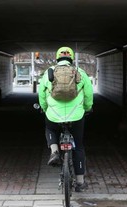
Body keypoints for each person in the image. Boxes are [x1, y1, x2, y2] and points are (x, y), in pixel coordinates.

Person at [38, 46, 93, 192]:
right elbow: (88, 94)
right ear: (71, 58)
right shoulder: (80, 72)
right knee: (79, 147)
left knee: (49, 128)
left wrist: (44, 108)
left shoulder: (49, 73)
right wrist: (87, 108)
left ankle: (54, 151)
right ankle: (80, 182)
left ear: (57, 58)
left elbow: (41, 94)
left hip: (54, 115)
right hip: (76, 116)